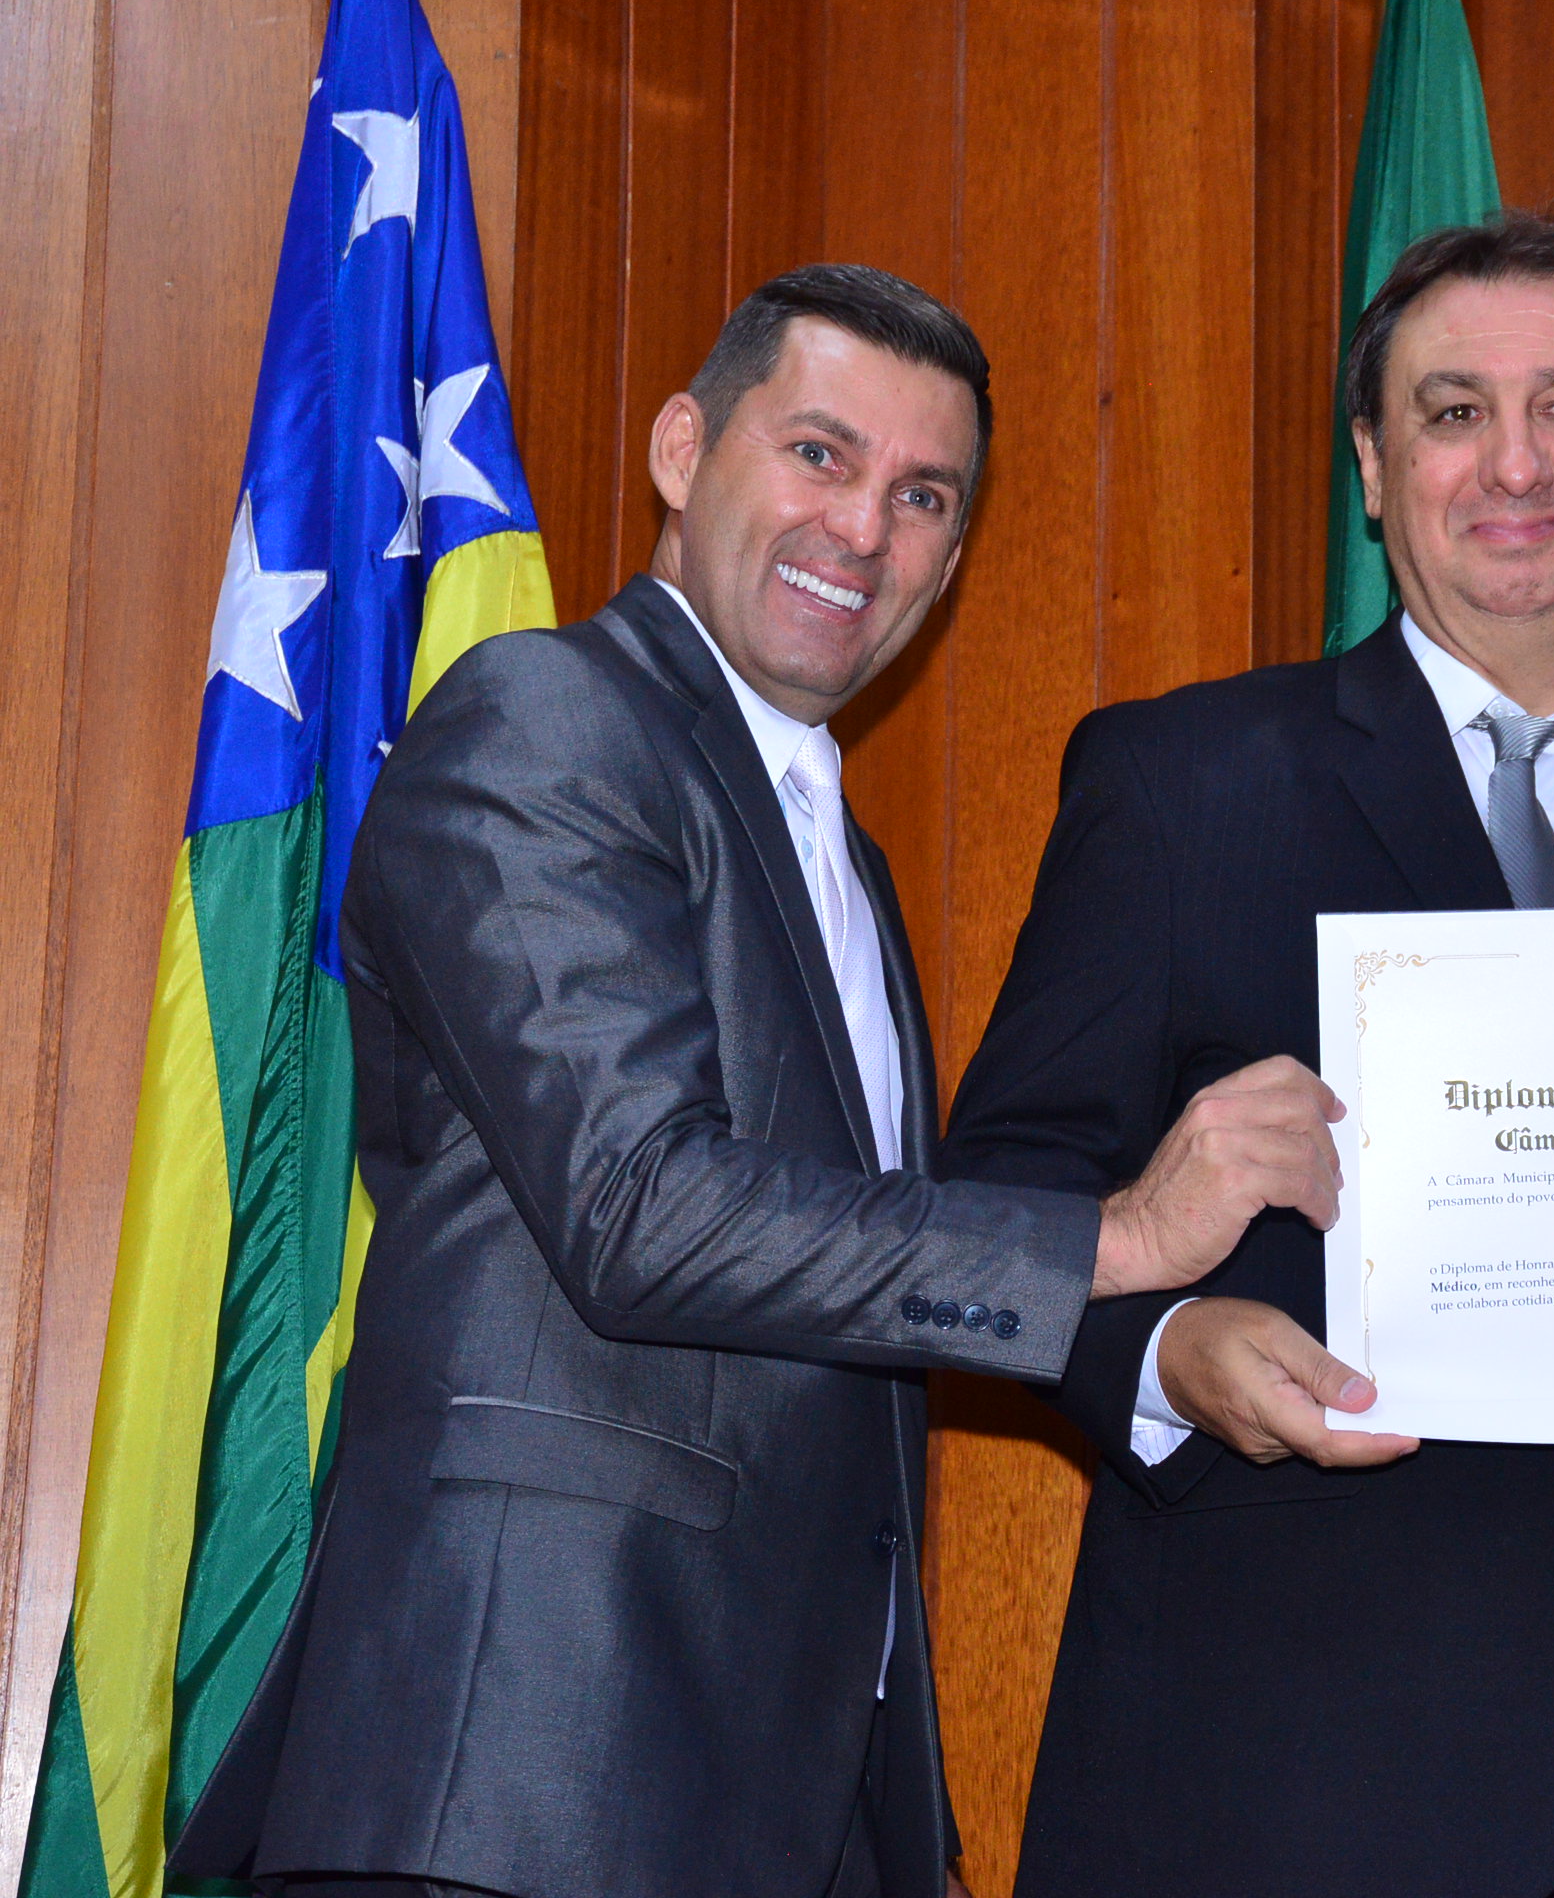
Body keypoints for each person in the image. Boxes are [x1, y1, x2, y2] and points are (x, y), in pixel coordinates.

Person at [171, 265, 1341, 1898]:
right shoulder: (545, 717)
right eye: (818, 453)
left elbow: (841, 1318)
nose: (862, 528)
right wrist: (1122, 1237)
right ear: (681, 449)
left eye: (922, 496)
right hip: (528, 1778)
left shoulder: (839, 856)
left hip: (771, 1794)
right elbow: (641, 1207)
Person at [941, 213, 1554, 1897]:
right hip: (1297, 1767)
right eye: (1455, 413)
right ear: (1377, 470)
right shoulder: (1183, 790)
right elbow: (995, 1201)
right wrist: (1166, 1353)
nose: (1515, 462)